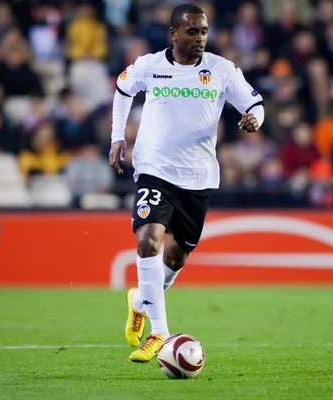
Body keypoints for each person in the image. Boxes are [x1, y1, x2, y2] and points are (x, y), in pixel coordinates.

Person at [108, 4, 265, 363]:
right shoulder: (150, 66)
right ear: (173, 34)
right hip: (154, 169)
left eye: (204, 32)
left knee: (175, 259)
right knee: (148, 238)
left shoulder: (221, 70)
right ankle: (160, 336)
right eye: (192, 32)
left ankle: (138, 301)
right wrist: (118, 137)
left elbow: (254, 102)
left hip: (197, 178)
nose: (200, 38)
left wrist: (254, 119)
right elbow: (121, 88)